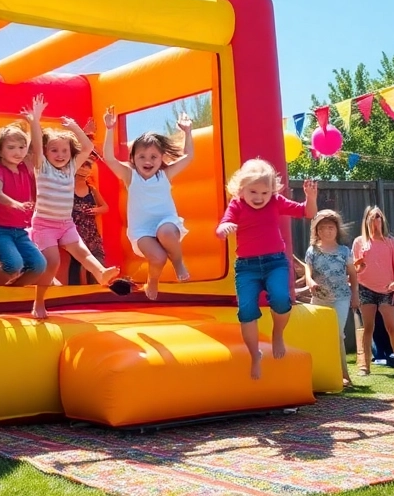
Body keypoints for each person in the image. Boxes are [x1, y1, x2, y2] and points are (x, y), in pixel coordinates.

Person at [215, 160, 317, 379]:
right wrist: (224, 228)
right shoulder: (237, 204)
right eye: (253, 191)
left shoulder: (275, 202)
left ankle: (277, 333)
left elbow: (307, 213)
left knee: (281, 299)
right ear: (241, 189)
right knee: (247, 312)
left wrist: (311, 198)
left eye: (265, 192)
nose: (259, 197)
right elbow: (223, 225)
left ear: (272, 191)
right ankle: (255, 356)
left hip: (275, 262)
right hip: (247, 267)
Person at [25, 95, 121, 318]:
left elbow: (87, 147)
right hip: (45, 225)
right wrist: (35, 120)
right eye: (54, 151)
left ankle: (101, 273)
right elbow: (37, 146)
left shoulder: (70, 169)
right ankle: (39, 303)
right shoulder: (42, 168)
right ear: (47, 154)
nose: (60, 155)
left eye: (64, 151)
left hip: (65, 224)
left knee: (82, 252)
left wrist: (75, 127)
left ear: (70, 154)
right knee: (52, 263)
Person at [101, 105, 194, 300]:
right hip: (141, 230)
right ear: (133, 159)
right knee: (158, 258)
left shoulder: (165, 175)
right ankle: (152, 280)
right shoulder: (130, 176)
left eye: (153, 157)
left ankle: (178, 263)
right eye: (142, 156)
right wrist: (110, 129)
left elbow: (189, 157)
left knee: (166, 231)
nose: (148, 161)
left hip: (166, 221)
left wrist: (188, 132)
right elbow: (109, 158)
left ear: (161, 159)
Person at [0, 123, 45, 285]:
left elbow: (36, 148)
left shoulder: (25, 168)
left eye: (21, 147)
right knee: (14, 264)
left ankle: (14, 289)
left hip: (19, 230)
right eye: (11, 148)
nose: (18, 152)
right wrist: (15, 204)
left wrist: (34, 122)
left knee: (39, 265)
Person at [303, 209, 357, 388]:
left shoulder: (344, 251)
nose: (327, 231)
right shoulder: (312, 251)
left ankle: (344, 375)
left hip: (341, 297)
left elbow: (353, 275)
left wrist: (355, 295)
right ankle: (318, 374)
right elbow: (308, 272)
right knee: (319, 334)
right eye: (323, 227)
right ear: (317, 231)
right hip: (319, 298)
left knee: (337, 334)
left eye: (331, 227)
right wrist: (310, 282)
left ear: (337, 230)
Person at [351, 206, 394, 377]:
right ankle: (365, 366)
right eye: (372, 217)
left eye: (378, 217)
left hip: (387, 289)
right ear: (366, 220)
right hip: (365, 289)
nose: (376, 220)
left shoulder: (391, 242)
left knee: (392, 327)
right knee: (368, 327)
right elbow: (355, 270)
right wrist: (360, 266)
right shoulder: (359, 242)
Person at [70, 157, 109, 284]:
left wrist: (95, 210)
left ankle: (97, 290)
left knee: (97, 260)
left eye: (87, 167)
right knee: (75, 264)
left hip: (91, 233)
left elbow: (105, 207)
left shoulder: (91, 190)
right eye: (82, 166)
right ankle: (73, 293)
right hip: (74, 233)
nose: (84, 170)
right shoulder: (67, 187)